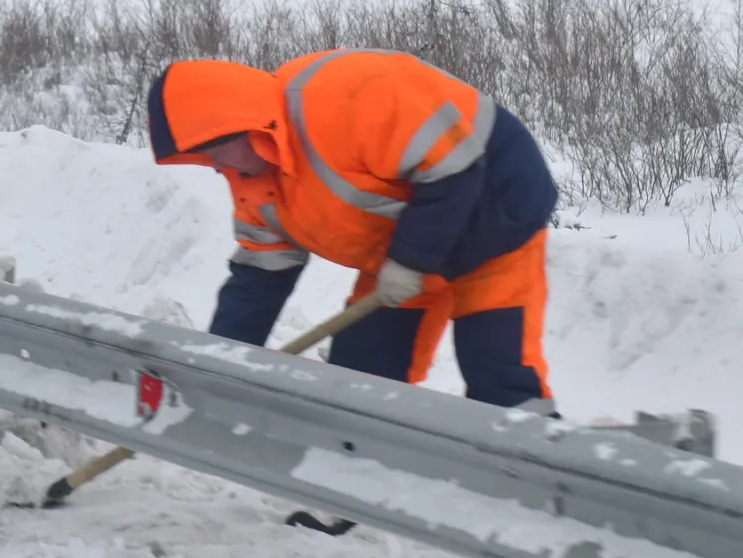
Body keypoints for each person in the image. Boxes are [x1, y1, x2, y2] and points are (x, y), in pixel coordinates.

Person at [146, 48, 560, 415]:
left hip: (495, 216)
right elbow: (260, 277)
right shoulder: (254, 177)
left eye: (214, 152)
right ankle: (360, 491)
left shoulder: (350, 99)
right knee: (360, 376)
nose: (218, 167)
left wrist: (412, 259)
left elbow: (454, 169)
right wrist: (223, 361)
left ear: (245, 126)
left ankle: (552, 486)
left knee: (498, 376)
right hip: (403, 246)